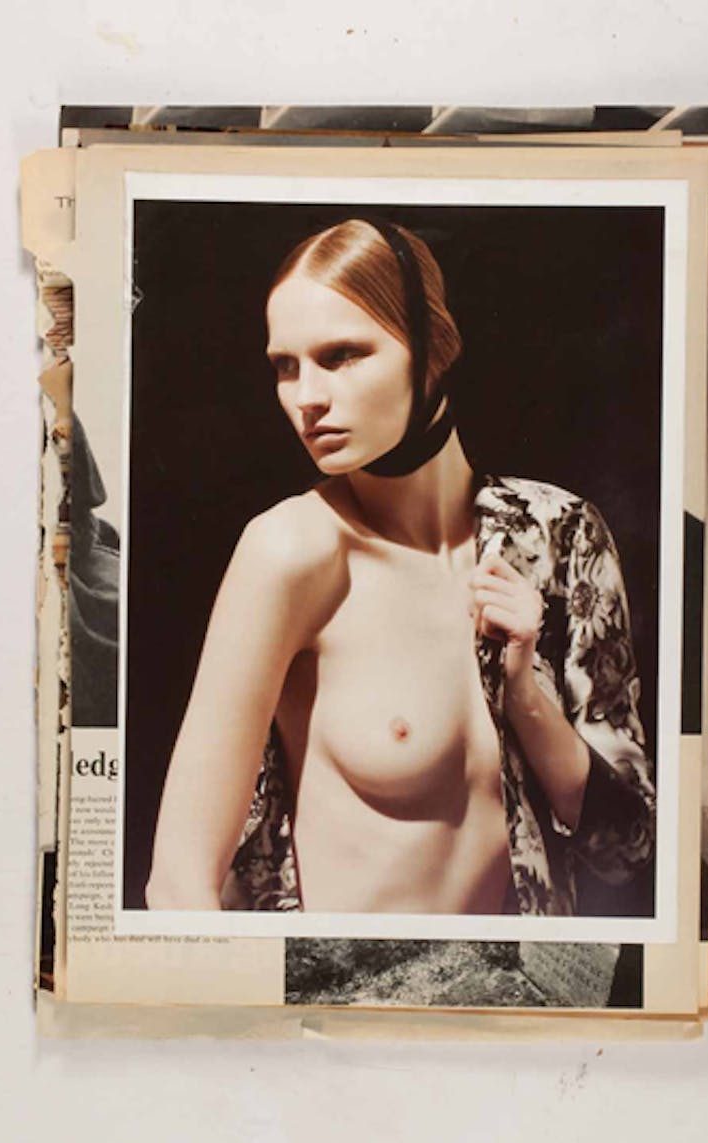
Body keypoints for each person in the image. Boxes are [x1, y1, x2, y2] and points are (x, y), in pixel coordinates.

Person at [145, 218, 655, 916]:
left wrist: (525, 699)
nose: (307, 397)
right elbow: (178, 886)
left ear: (433, 347)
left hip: (532, 984)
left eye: (342, 355)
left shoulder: (559, 535)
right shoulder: (291, 553)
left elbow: (628, 852)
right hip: (342, 983)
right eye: (286, 366)